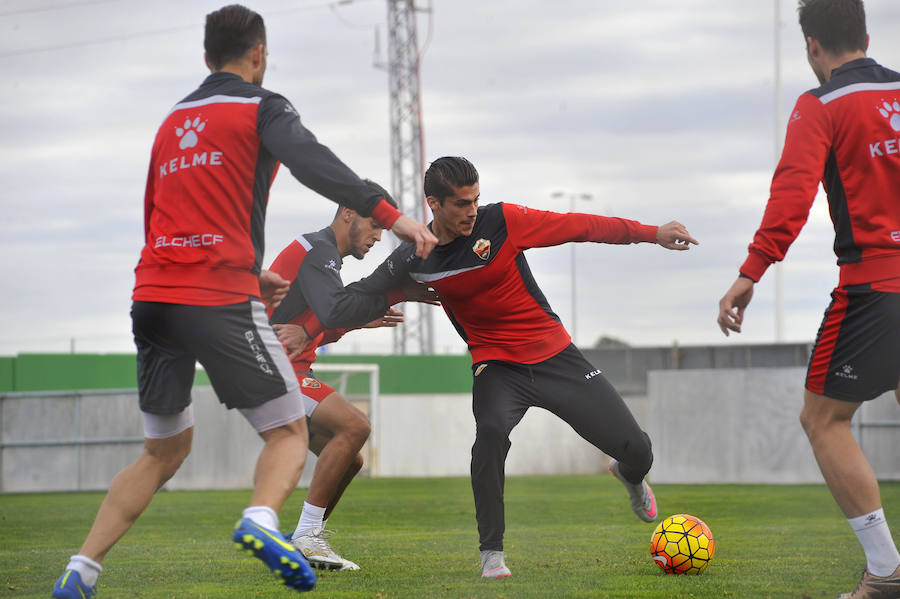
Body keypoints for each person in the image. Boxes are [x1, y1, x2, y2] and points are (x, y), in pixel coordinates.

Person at [51, 5, 436, 598]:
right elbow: (315, 165)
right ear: (259, 54)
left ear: (206, 57)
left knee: (162, 451)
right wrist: (395, 217)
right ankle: (262, 519)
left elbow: (156, 215)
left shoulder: (171, 120)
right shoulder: (262, 107)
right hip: (214, 297)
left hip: (152, 298)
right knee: (285, 434)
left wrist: (248, 274)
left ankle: (81, 569)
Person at [343, 156, 699, 578]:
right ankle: (491, 553)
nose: (472, 211)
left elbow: (580, 225)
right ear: (433, 203)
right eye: (460, 203)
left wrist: (650, 233)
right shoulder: (414, 258)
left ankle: (629, 474)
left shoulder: (504, 221)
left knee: (638, 449)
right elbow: (358, 294)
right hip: (496, 366)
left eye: (476, 199)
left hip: (555, 356)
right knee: (490, 434)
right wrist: (303, 318)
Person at [716, 1, 900, 597]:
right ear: (868, 36)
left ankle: (885, 571)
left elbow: (791, 196)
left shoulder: (819, 104)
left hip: (876, 286)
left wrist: (752, 270)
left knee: (823, 419)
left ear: (812, 47)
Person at [264, 181, 438, 571]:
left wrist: (359, 318)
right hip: (272, 369)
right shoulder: (319, 251)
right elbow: (334, 312)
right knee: (356, 426)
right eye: (375, 226)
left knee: (350, 460)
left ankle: (306, 541)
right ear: (347, 213)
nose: (378, 237)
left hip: (281, 368)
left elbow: (322, 320)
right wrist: (398, 293)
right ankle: (307, 536)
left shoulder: (321, 254)